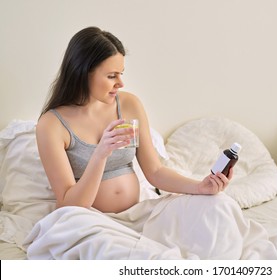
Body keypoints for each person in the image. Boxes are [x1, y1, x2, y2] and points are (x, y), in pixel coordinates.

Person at [36, 26, 233, 214]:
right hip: (90, 220)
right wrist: (100, 155)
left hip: (137, 215)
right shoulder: (52, 125)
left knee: (218, 205)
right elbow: (69, 204)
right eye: (112, 76)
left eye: (121, 74)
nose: (120, 83)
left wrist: (200, 187)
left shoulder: (129, 105)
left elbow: (155, 171)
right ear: (82, 72)